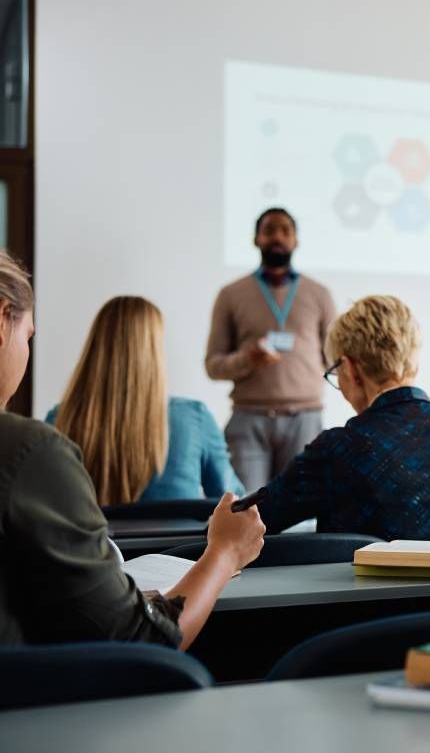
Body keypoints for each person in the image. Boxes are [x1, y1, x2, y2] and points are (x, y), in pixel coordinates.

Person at [0, 251, 265, 648]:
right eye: (28, 336)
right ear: (3, 321)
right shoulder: (32, 450)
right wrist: (225, 551)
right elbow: (233, 502)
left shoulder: (59, 418)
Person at [251, 295, 430, 539]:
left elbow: (250, 522)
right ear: (413, 360)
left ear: (349, 369)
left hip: (366, 598)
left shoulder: (337, 449)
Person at [48, 296, 244, 504]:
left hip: (93, 538)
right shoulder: (194, 419)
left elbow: (44, 501)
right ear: (154, 350)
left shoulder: (59, 421)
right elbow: (233, 500)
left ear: (94, 349)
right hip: (178, 538)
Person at [205, 207, 338, 493]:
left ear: (296, 240)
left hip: (305, 419)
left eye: (285, 230)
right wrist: (247, 359)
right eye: (268, 230)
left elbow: (336, 358)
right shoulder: (231, 294)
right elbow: (213, 365)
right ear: (256, 239)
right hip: (248, 420)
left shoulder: (319, 294)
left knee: (303, 514)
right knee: (245, 511)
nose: (277, 236)